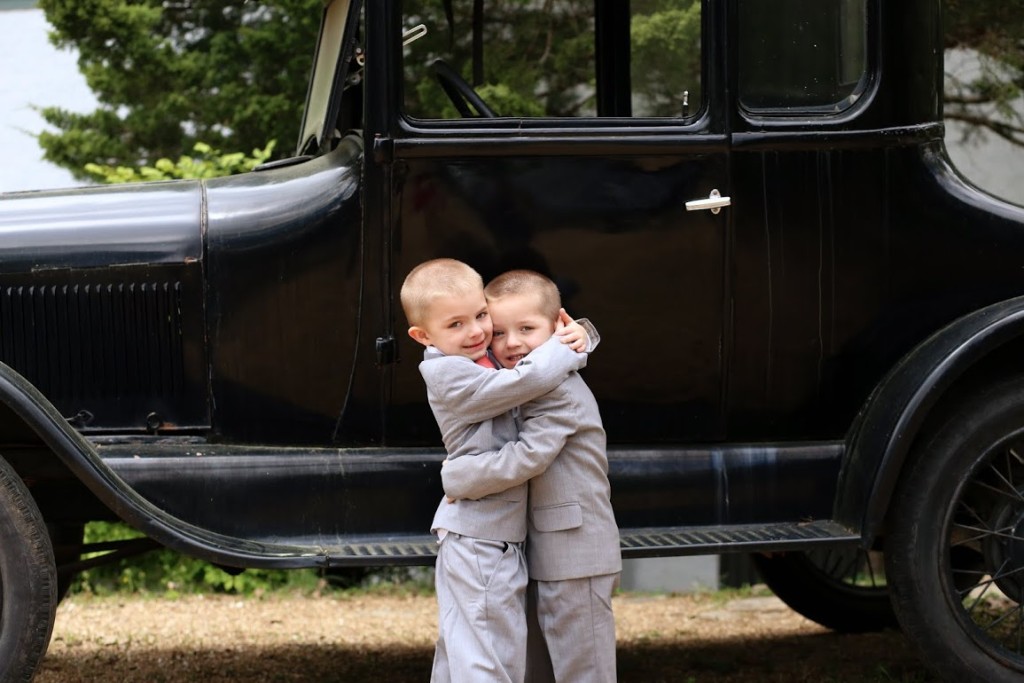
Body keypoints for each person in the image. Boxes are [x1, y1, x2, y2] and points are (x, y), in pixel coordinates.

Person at [400, 258, 591, 683]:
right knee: (488, 657)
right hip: (480, 534)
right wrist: (566, 351)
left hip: (486, 532)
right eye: (456, 324)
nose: (477, 332)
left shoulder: (475, 354)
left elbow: (525, 342)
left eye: (481, 315)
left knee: (464, 652)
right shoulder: (448, 373)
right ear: (422, 336)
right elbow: (524, 382)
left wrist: (583, 335)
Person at [441, 269, 622, 683]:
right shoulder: (520, 382)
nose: (512, 343)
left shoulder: (555, 388)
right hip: (541, 547)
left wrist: (459, 479)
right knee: (540, 667)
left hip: (577, 551)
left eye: (526, 328)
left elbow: (529, 457)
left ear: (558, 324)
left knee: (584, 669)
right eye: (499, 332)